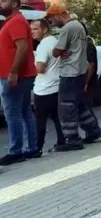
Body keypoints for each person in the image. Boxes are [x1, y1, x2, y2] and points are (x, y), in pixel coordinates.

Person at [45, 5, 101, 151]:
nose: (52, 23)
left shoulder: (67, 28)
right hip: (80, 70)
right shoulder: (78, 26)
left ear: (58, 15)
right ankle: (93, 130)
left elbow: (56, 51)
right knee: (79, 104)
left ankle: (72, 139)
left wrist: (58, 51)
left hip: (70, 73)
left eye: (52, 19)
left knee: (65, 108)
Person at [0, 0, 39, 165]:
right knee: (24, 112)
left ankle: (16, 151)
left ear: (14, 4)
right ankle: (31, 149)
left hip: (14, 76)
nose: (0, 3)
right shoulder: (14, 21)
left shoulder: (16, 22)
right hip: (19, 75)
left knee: (12, 114)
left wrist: (14, 72)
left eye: (3, 0)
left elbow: (22, 48)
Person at [31, 19, 66, 152]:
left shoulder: (43, 46)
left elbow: (40, 68)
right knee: (57, 118)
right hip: (57, 86)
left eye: (35, 29)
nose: (32, 32)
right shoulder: (55, 42)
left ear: (44, 29)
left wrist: (30, 66)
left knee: (40, 120)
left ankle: (37, 148)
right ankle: (61, 141)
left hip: (44, 89)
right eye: (31, 30)